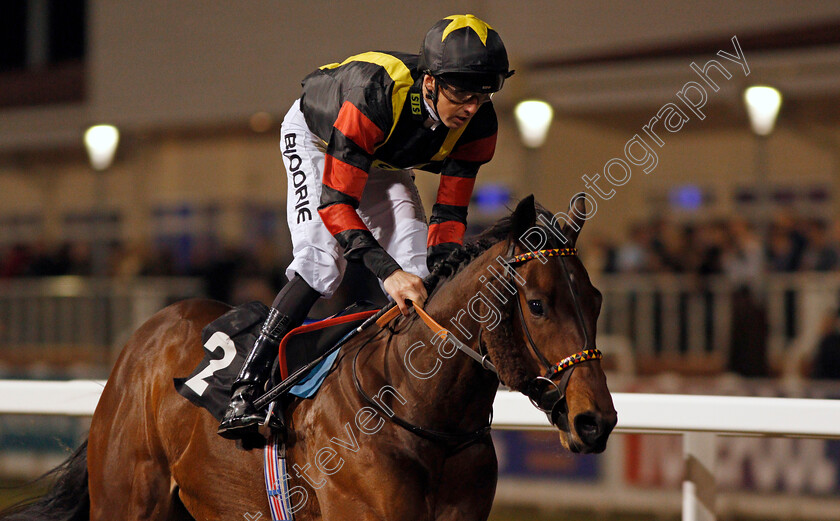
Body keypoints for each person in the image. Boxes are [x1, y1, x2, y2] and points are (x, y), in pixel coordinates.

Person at [218, 14, 513, 439]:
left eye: (484, 94)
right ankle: (245, 387)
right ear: (429, 81)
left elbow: (449, 217)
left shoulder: (480, 124)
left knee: (423, 272)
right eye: (462, 92)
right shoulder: (375, 93)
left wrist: (441, 270)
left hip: (380, 157)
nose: (471, 106)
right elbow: (337, 205)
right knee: (321, 262)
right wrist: (387, 272)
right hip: (319, 139)